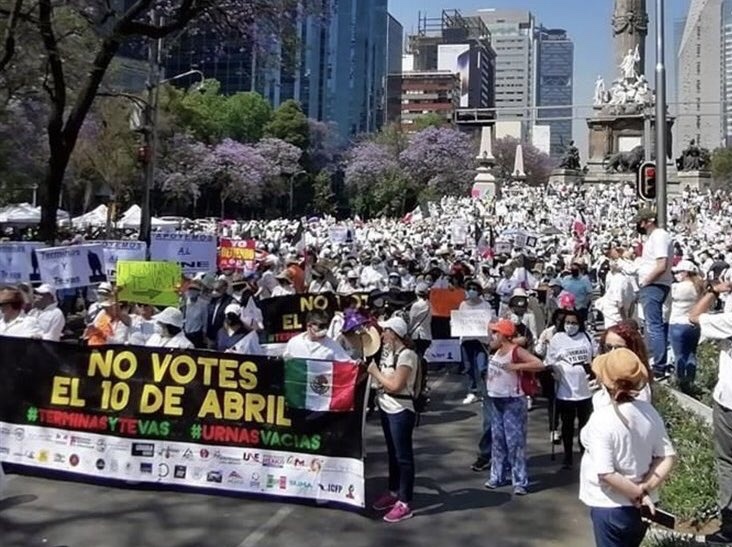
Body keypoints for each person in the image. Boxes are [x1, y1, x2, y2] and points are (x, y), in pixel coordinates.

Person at [579, 348, 676, 547]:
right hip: (643, 508)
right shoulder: (649, 412)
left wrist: (636, 493)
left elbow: (605, 473)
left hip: (609, 505)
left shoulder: (602, 418)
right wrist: (645, 487)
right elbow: (666, 456)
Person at [689, 279, 732, 543]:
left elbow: (694, 317)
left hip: (729, 401)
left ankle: (728, 525)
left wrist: (714, 291)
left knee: (726, 462)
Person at [367, 316, 419, 523]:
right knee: (393, 454)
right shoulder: (389, 354)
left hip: (400, 410)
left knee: (403, 457)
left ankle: (405, 502)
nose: (381, 334)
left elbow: (396, 385)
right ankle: (393, 491)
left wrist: (375, 373)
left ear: (394, 333)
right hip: (386, 407)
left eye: (385, 330)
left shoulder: (407, 356)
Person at [484, 319, 544, 495]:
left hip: (513, 401)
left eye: (495, 332)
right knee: (498, 441)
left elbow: (539, 364)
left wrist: (516, 366)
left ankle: (520, 481)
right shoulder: (496, 351)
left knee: (515, 442)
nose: (492, 335)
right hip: (496, 400)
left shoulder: (516, 351)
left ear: (503, 335)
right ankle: (497, 476)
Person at [545, 309, 596, 469]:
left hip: (585, 390)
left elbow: (596, 357)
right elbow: (549, 361)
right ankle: (567, 456)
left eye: (574, 323)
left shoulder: (587, 337)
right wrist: (554, 371)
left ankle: (584, 452)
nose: (571, 326)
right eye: (568, 323)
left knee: (585, 425)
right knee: (567, 425)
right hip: (565, 391)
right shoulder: (557, 339)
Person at [634, 208, 673, 377]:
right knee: (657, 325)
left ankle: (659, 365)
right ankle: (659, 362)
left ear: (648, 221)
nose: (638, 225)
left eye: (640, 221)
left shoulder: (659, 236)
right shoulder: (654, 237)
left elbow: (661, 265)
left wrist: (645, 281)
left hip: (654, 285)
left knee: (654, 326)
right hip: (654, 284)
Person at [597, 321, 652, 404]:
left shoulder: (638, 381)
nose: (613, 352)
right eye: (608, 347)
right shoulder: (604, 373)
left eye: (619, 348)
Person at [668, 259, 703, 391]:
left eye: (678, 271)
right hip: (694, 324)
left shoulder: (676, 287)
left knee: (679, 356)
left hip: (677, 323)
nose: (676, 274)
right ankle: (690, 382)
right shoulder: (699, 286)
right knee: (691, 354)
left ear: (685, 272)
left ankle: (681, 382)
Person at [459, 279, 494, 405]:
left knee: (482, 367)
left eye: (474, 289)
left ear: (479, 291)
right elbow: (460, 320)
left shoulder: (485, 305)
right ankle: (472, 391)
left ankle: (486, 392)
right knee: (468, 367)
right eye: (470, 289)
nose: (472, 291)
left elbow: (491, 322)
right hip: (466, 340)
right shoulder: (463, 305)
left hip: (481, 341)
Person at [284, 310, 351, 361]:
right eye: (321, 326)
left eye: (326, 325)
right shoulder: (294, 343)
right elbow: (285, 362)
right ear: (309, 325)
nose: (325, 329)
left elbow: (347, 364)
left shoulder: (332, 346)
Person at [408, 282, 432, 362]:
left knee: (416, 357)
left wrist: (408, 331)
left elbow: (411, 320)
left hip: (417, 335)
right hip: (427, 334)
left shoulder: (416, 305)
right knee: (421, 356)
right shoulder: (429, 304)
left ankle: (418, 373)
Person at [206, 279, 234, 346]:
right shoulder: (212, 301)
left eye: (217, 289)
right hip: (210, 334)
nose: (214, 292)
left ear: (224, 288)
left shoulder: (229, 301)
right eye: (213, 289)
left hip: (223, 334)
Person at [182, 280, 207, 348]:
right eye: (190, 289)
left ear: (198, 292)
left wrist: (204, 337)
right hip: (185, 333)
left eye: (195, 290)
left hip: (197, 335)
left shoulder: (203, 304)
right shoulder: (184, 302)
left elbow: (205, 322)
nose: (192, 292)